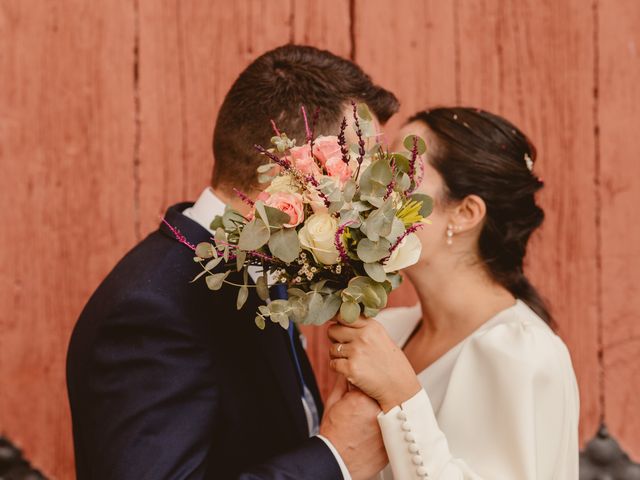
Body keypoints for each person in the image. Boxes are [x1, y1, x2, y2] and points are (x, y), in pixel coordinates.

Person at [66, 44, 399, 480]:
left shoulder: (256, 268)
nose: (369, 196)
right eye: (357, 167)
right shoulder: (150, 315)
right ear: (296, 168)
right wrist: (333, 461)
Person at [328, 107, 580, 479]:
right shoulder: (388, 332)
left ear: (465, 213)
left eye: (400, 174)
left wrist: (401, 395)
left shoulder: (522, 354)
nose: (375, 190)